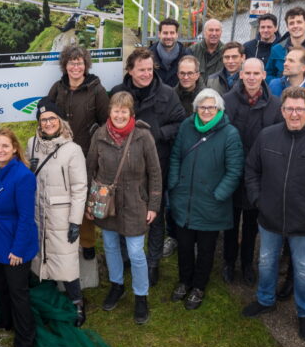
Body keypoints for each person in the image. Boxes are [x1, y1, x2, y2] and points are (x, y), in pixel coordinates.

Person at [242, 86, 305, 342]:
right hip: (269, 218)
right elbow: (252, 170)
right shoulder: (267, 137)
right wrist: (258, 200)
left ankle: (304, 313)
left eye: (300, 109)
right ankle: (265, 300)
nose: (294, 114)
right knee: (266, 262)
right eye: (289, 109)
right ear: (282, 110)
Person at [110, 48, 185, 286]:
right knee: (122, 213)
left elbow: (180, 122)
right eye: (141, 69)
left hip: (156, 166)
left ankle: (152, 263)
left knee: (155, 215)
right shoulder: (117, 93)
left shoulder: (167, 93)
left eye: (150, 69)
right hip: (124, 169)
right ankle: (124, 258)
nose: (146, 74)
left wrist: (157, 134)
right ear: (130, 70)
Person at [86, 91, 162, 324]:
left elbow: (155, 173)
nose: (119, 115)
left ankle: (141, 296)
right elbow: (90, 170)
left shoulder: (143, 136)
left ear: (131, 113)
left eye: (124, 111)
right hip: (107, 202)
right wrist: (89, 203)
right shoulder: (99, 135)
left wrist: (153, 204)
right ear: (110, 111)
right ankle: (117, 285)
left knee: (136, 253)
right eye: (116, 110)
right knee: (109, 245)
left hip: (136, 203)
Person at [168, 88, 243, 310]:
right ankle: (184, 281)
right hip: (185, 200)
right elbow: (175, 156)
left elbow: (235, 170)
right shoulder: (186, 126)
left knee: (206, 249)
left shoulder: (230, 134)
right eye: (202, 107)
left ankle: (199, 286)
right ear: (196, 108)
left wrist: (218, 194)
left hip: (211, 203)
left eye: (211, 107)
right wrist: (174, 184)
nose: (207, 111)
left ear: (219, 109)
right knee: (184, 245)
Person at [26, 98, 88, 326]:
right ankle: (48, 298)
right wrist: (28, 169)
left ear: (60, 121)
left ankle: (77, 302)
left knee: (66, 260)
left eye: (52, 118)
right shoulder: (31, 144)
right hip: (37, 212)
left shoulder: (72, 149)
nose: (48, 123)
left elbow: (80, 187)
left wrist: (75, 221)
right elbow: (26, 179)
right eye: (43, 120)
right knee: (41, 256)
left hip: (61, 215)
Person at [222, 58, 282, 286]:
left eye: (256, 73)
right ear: (241, 74)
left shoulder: (275, 105)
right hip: (232, 173)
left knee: (251, 224)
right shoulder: (227, 101)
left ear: (264, 75)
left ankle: (247, 263)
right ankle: (228, 261)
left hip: (259, 176)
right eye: (247, 73)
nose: (251, 77)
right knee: (230, 221)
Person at [47, 46, 109, 259]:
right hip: (59, 154)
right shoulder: (57, 88)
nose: (75, 66)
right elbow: (46, 117)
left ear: (86, 65)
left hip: (86, 154)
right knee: (63, 199)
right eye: (71, 62)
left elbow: (105, 123)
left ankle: (88, 242)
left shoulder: (96, 89)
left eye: (79, 62)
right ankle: (64, 241)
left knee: (82, 200)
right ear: (65, 65)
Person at [0, 129, 38, 347]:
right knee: (1, 285)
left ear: (15, 148)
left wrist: (18, 249)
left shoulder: (23, 176)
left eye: (5, 146)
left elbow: (26, 217)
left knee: (18, 292)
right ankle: (7, 321)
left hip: (15, 239)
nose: (0, 150)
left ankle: (26, 339)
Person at [268, 46, 305, 118]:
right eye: (285, 60)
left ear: (303, 68)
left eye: (291, 61)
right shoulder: (274, 85)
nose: (285, 64)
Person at [265, 7, 305, 80]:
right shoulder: (277, 49)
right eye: (291, 23)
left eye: (299, 22)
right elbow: (268, 74)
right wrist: (279, 85)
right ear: (287, 27)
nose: (295, 26)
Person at [149, 18, 193, 87]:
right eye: (165, 33)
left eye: (172, 33)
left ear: (177, 34)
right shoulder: (149, 55)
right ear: (159, 34)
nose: (169, 36)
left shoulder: (187, 55)